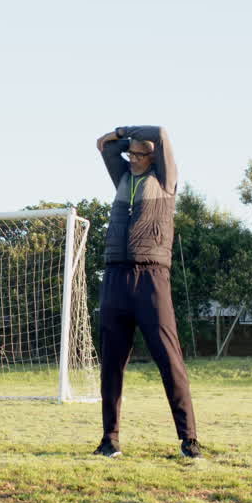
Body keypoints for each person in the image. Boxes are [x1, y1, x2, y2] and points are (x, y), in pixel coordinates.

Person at [92, 126, 201, 459]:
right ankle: (109, 440)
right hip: (114, 277)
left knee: (170, 360)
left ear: (154, 157)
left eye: (141, 155)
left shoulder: (165, 180)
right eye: (131, 154)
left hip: (152, 278)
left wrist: (127, 132)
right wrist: (123, 142)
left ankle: (189, 440)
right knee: (111, 363)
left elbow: (163, 133)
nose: (133, 159)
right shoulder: (124, 177)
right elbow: (104, 147)